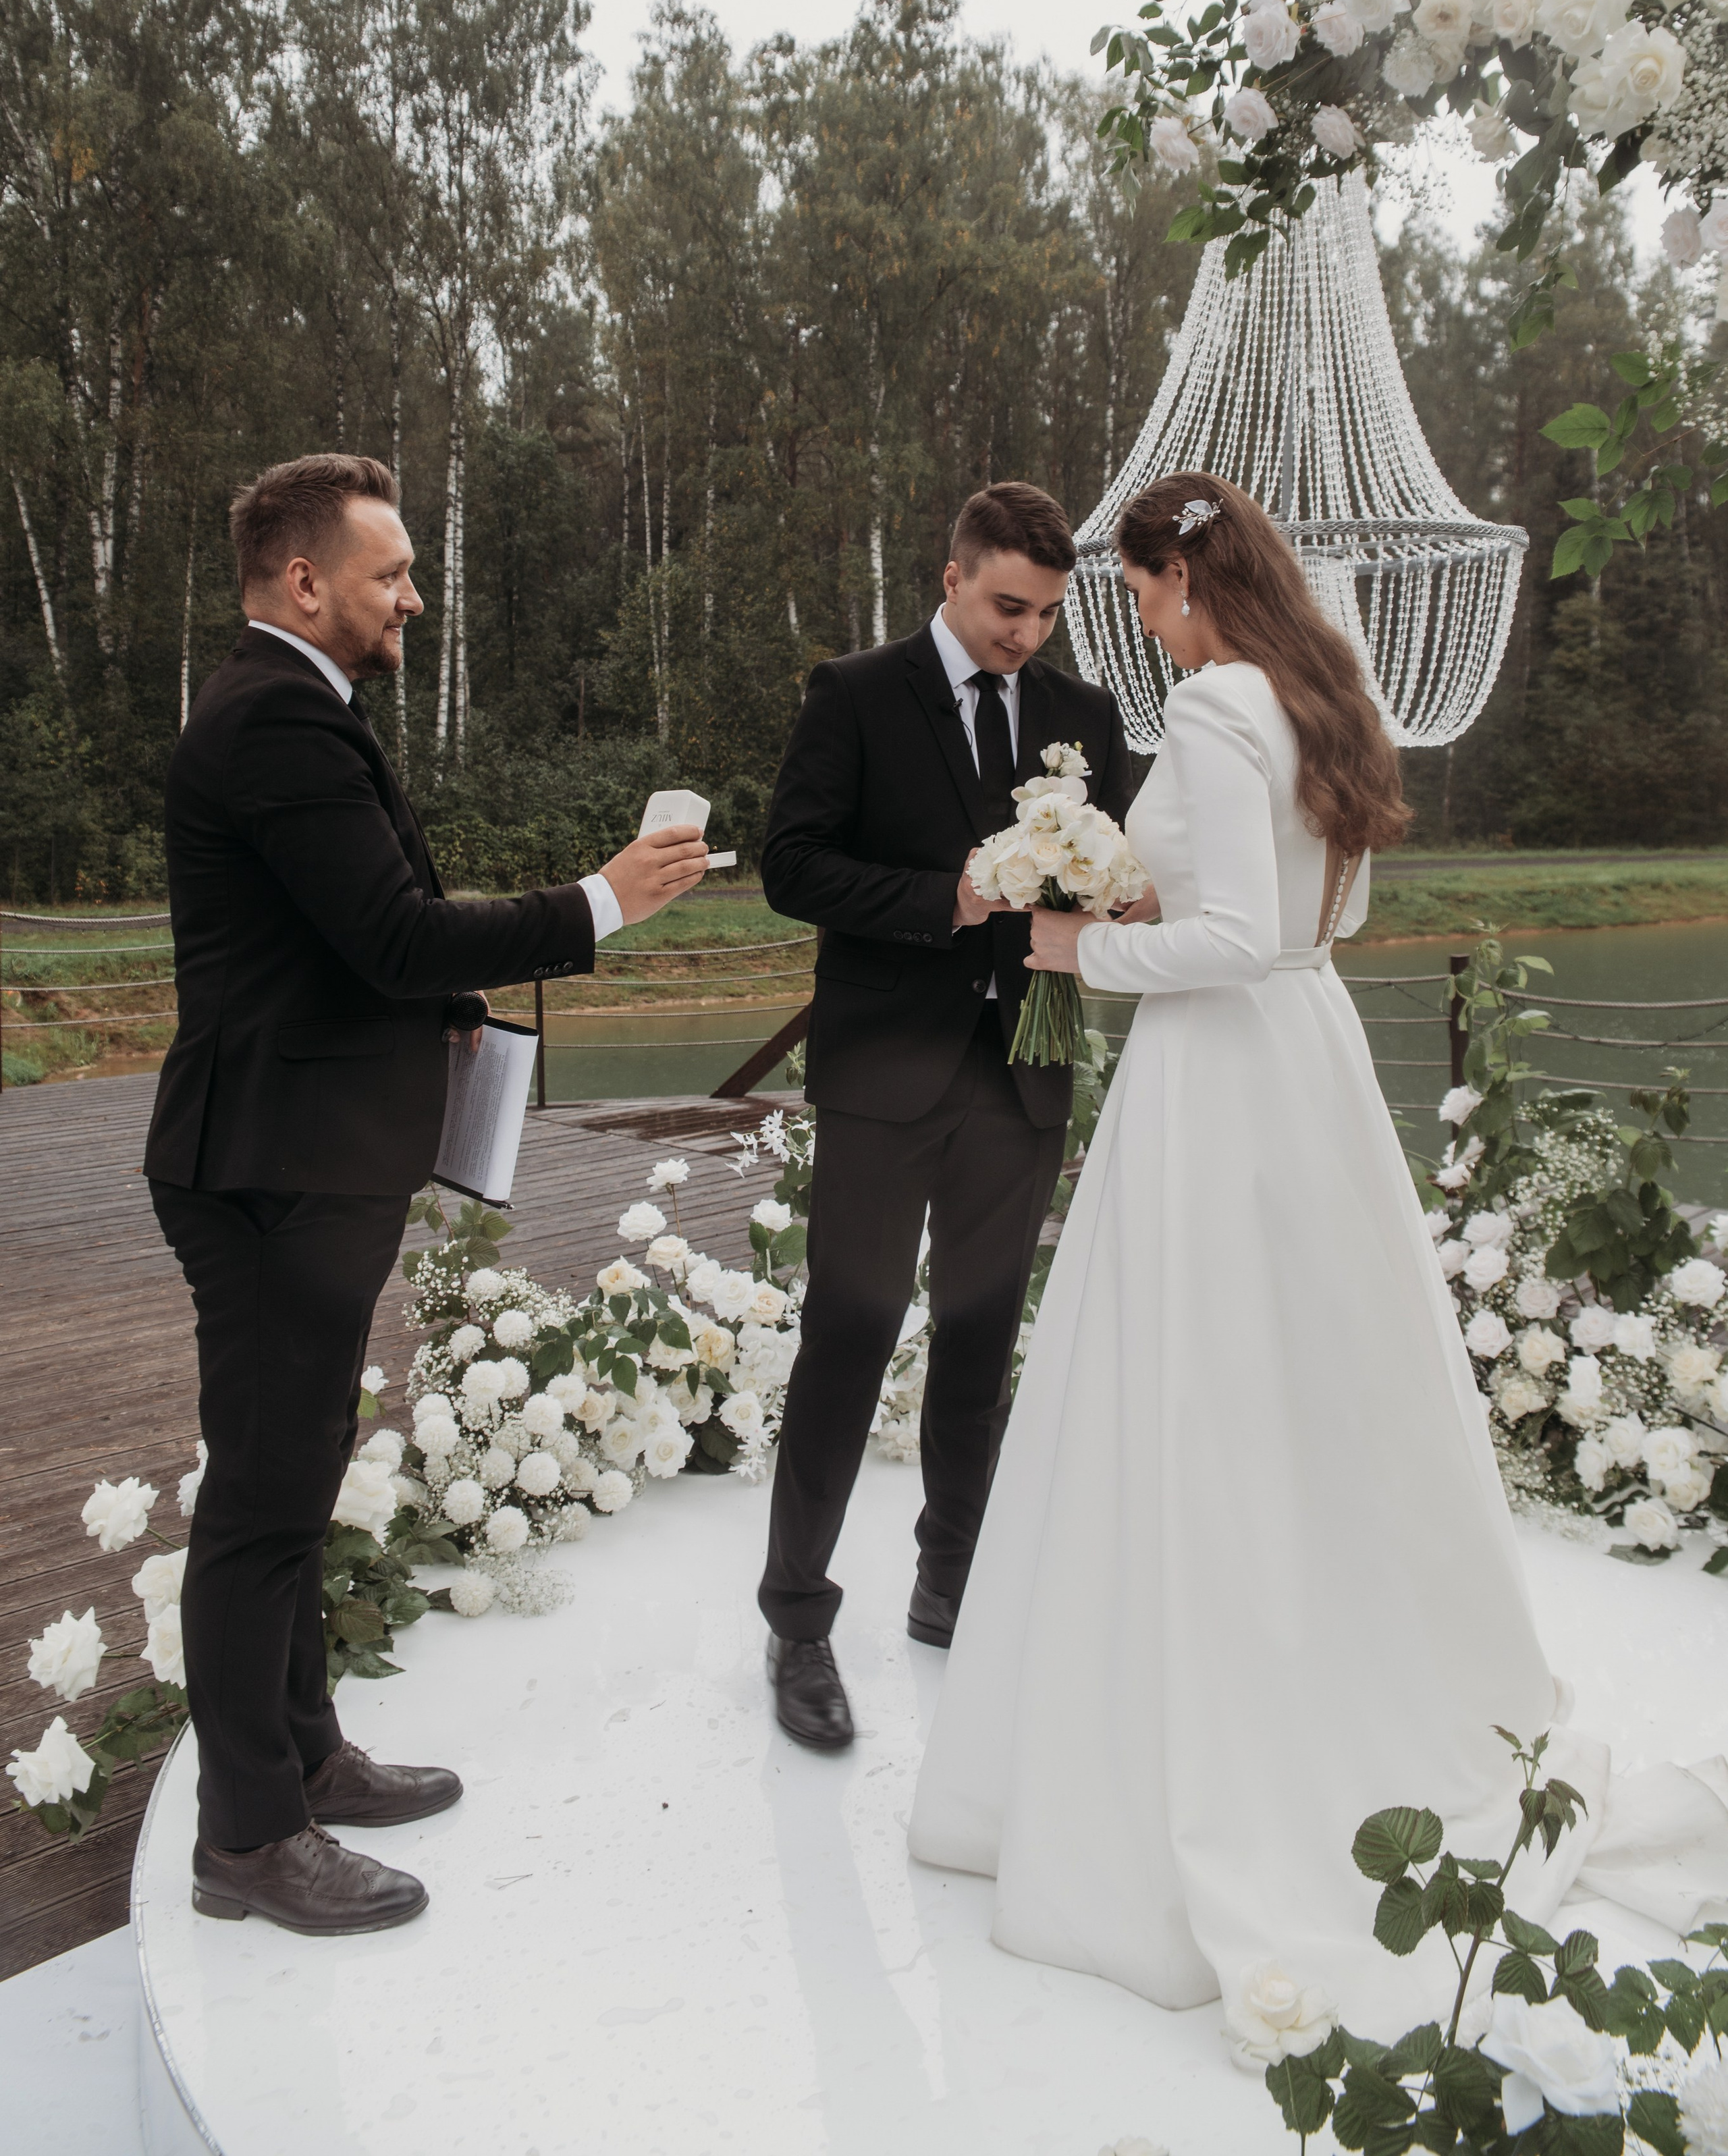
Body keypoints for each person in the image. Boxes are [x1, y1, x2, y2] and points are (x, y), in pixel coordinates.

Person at [908, 469, 1728, 2047]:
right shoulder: (1321, 696)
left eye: (1141, 591)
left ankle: (1201, 1743)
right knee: (1306, 1389)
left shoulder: (1218, 710)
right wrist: (1150, 891)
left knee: (1195, 1392)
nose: (1136, 619)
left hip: (1220, 1079)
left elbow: (1235, 945)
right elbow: (1314, 926)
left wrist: (1076, 941)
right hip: (1306, 1066)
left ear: (1183, 580)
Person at [144, 452, 707, 1938]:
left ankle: (306, 1750)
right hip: (271, 1169)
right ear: (302, 580)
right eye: (389, 573)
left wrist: (444, 1008)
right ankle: (247, 1837)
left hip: (305, 1157)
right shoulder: (273, 720)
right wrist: (600, 903)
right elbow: (391, 934)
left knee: (299, 1463)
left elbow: (343, 943)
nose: (412, 596)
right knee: (262, 1499)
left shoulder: (305, 713)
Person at [757, 481, 1134, 1751]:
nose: (1026, 635)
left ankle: (951, 1584)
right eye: (1006, 607)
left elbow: (1126, 863)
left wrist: (1114, 905)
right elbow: (792, 868)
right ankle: (798, 1622)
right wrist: (951, 898)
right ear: (952, 576)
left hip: (1023, 1068)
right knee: (848, 1339)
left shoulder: (1084, 717)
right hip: (883, 1072)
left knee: (978, 1349)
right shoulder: (853, 695)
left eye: (1045, 614)